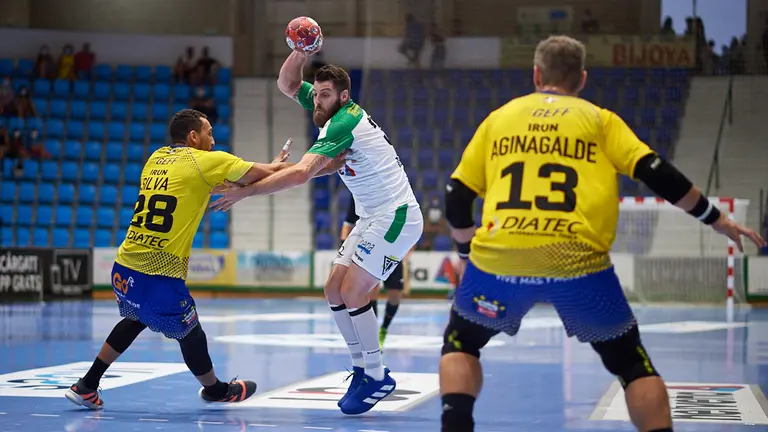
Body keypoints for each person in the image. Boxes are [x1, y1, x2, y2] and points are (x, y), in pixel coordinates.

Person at [438, 35, 767, 432]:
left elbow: (456, 195)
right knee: (630, 364)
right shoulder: (599, 120)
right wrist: (716, 219)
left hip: (499, 261)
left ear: (536, 74)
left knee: (461, 343)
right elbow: (657, 173)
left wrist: (467, 256)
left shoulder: (499, 119)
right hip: (577, 264)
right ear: (582, 79)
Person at [65, 109, 345, 410]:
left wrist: (269, 168)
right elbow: (272, 175)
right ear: (193, 136)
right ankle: (216, 390)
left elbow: (209, 185)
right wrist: (324, 166)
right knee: (191, 333)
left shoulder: (156, 158)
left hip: (125, 265)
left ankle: (87, 385)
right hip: (157, 274)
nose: (213, 140)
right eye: (208, 133)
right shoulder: (209, 161)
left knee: (136, 318)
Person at [209, 49, 423, 415]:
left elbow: (302, 174)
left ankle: (377, 374)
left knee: (353, 290)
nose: (317, 99)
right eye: (317, 93)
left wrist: (246, 192)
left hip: (396, 215)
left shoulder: (342, 122)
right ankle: (361, 368)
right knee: (333, 289)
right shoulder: (328, 106)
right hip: (370, 215)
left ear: (344, 96)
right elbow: (287, 83)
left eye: (325, 94)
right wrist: (300, 52)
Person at [341, 196, 411, 346]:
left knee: (395, 295)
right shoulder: (358, 195)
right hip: (369, 247)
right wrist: (345, 251)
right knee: (371, 290)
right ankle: (372, 335)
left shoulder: (394, 192)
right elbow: (348, 223)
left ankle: (383, 329)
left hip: (392, 247)